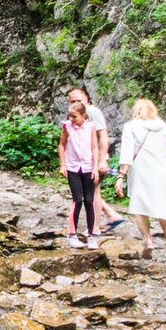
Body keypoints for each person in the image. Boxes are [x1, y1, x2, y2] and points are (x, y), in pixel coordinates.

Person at [114, 99, 166, 276]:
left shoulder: (131, 126)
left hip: (141, 175)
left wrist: (121, 176)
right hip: (162, 176)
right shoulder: (162, 126)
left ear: (136, 111)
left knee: (140, 209)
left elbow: (127, 153)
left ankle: (148, 240)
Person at [66, 88, 126, 235]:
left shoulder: (92, 112)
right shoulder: (75, 113)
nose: (76, 103)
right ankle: (112, 215)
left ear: (86, 99)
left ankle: (95, 227)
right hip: (82, 161)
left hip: (95, 160)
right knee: (88, 191)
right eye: (73, 101)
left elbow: (103, 136)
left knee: (93, 193)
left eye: (79, 100)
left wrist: (102, 160)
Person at [59, 102, 101, 249]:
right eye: (69, 116)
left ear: (83, 115)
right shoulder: (67, 126)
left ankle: (91, 236)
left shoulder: (90, 127)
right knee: (77, 200)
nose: (71, 119)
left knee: (89, 200)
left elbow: (94, 147)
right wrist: (62, 164)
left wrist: (96, 168)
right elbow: (62, 144)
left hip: (88, 167)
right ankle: (72, 235)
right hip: (73, 167)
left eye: (74, 116)